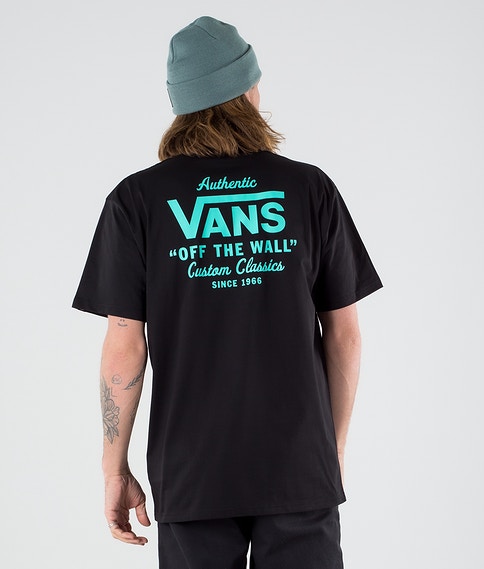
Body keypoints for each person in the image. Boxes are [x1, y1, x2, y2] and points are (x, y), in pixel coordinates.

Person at [73, 15, 383, 569]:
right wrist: (330, 451)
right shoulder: (308, 188)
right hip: (298, 467)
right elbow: (345, 334)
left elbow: (124, 346)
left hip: (192, 471)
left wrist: (113, 469)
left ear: (181, 105)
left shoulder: (137, 201)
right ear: (248, 90)